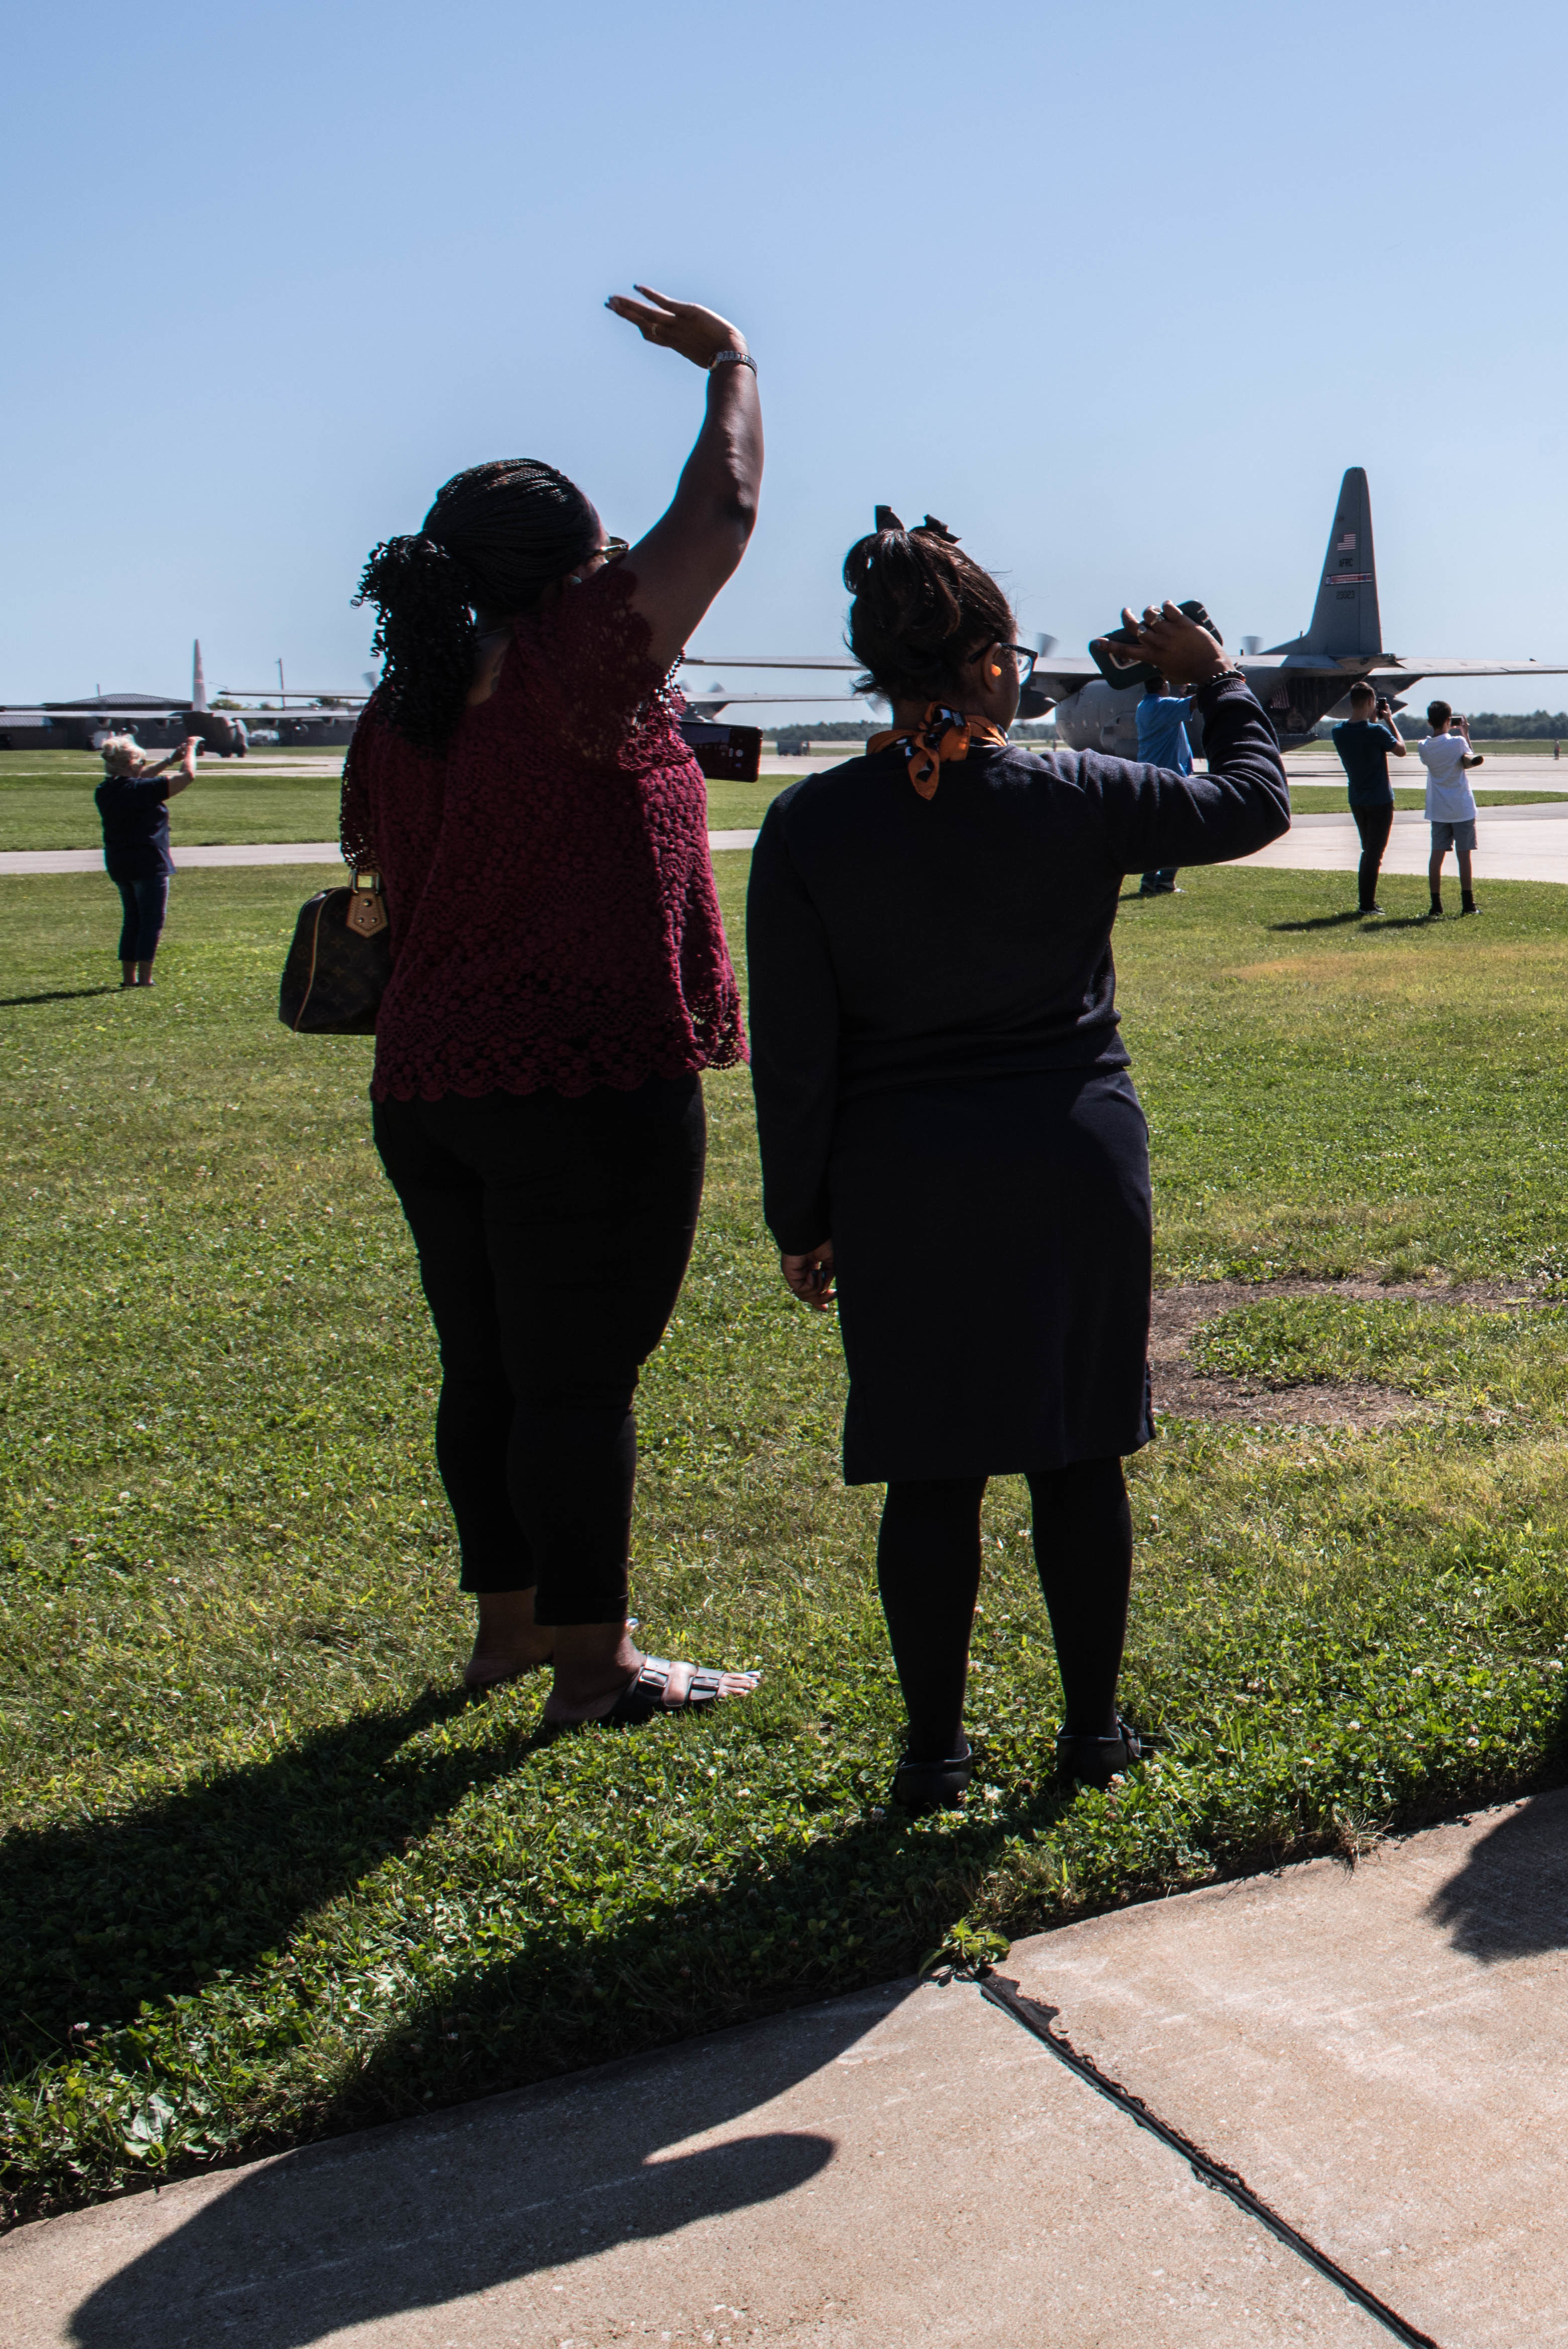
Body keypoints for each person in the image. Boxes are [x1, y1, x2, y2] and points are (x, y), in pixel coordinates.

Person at [752, 530, 1288, 1814]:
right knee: (1074, 1452)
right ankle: (1092, 1734)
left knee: (928, 1467)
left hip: (899, 1171)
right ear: (993, 664)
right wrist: (1213, 677)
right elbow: (1254, 801)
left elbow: (795, 1050)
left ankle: (932, 1750)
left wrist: (802, 1214)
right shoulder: (1077, 794)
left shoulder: (809, 824)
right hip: (1066, 1152)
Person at [335, 285, 762, 1728]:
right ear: (579, 573)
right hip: (583, 1080)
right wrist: (729, 365)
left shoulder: (403, 710)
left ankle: (509, 1632)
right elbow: (723, 511)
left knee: (491, 1371)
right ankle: (596, 1669)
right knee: (580, 1383)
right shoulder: (588, 666)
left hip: (429, 1087)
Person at [95, 731, 198, 986]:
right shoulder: (142, 790)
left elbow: (140, 779)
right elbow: (187, 778)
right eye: (141, 762)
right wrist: (191, 751)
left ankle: (129, 978)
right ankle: (145, 979)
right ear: (132, 764)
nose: (144, 767)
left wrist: (168, 760)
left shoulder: (105, 790)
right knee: (151, 921)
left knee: (132, 920)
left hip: (119, 862)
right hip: (148, 861)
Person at [1332, 690, 1404, 915]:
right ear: (1371, 702)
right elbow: (1401, 750)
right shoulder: (1377, 732)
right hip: (1380, 799)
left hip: (1357, 798)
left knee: (1368, 850)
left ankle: (1368, 902)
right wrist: (1390, 720)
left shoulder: (1338, 732)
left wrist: (1371, 720)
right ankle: (1366, 905)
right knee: (1374, 854)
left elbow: (1360, 737)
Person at [1128, 683, 1198, 894]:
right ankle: (1165, 880)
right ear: (1162, 685)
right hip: (1170, 777)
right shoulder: (1165, 706)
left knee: (1158, 832)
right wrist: (1217, 682)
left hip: (1150, 776)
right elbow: (1196, 704)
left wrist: (1183, 696)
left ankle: (1149, 881)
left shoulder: (1145, 706)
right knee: (1181, 832)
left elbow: (1178, 708)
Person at [1416, 700, 1484, 914]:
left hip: (1438, 809)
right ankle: (1468, 904)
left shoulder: (1423, 747)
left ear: (1429, 721)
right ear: (1449, 721)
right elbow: (1469, 756)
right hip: (1462, 807)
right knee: (1464, 857)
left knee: (1436, 856)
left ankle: (1436, 904)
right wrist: (1464, 731)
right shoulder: (1457, 743)